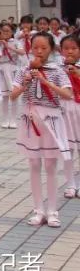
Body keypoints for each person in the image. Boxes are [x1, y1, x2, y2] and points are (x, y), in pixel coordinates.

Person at [10, 32, 73, 227]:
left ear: (52, 49)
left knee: (50, 166)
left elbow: (67, 94)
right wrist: (26, 82)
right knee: (34, 165)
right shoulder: (23, 70)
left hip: (52, 119)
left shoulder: (57, 70)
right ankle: (38, 210)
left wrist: (46, 81)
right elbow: (12, 95)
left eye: (44, 48)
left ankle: (52, 210)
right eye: (35, 47)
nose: (39, 52)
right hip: (31, 119)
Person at [59, 35, 80, 199]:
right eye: (66, 48)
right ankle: (71, 184)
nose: (70, 51)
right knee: (67, 149)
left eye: (74, 48)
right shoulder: (57, 68)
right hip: (65, 109)